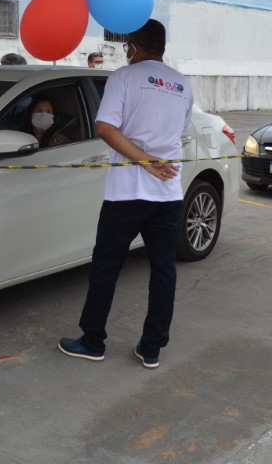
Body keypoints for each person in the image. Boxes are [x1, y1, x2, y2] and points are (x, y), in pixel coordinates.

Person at [58, 19, 193, 369]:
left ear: (133, 45)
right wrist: (155, 160)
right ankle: (152, 348)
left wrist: (146, 161)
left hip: (126, 193)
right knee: (163, 270)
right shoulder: (182, 83)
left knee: (106, 266)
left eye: (127, 45)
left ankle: (93, 341)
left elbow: (105, 127)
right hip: (168, 193)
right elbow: (177, 130)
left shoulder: (124, 77)